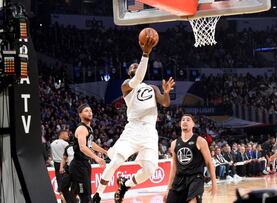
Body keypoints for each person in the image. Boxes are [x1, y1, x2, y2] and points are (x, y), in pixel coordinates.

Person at [92, 35, 175, 203]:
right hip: (133, 129)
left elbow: (165, 104)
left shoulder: (152, 88)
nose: (135, 68)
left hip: (150, 132)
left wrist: (166, 93)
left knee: (150, 170)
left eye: (137, 66)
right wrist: (145, 54)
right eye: (132, 67)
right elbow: (137, 78)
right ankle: (98, 195)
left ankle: (124, 185)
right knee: (116, 161)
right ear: (130, 72)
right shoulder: (126, 86)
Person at [164, 114, 217, 203]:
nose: (185, 121)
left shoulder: (200, 141)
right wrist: (168, 188)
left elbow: (209, 163)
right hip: (179, 180)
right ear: (180, 124)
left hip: (195, 179)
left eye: (188, 120)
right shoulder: (174, 143)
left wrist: (214, 184)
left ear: (193, 124)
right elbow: (174, 168)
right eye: (183, 120)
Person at [70, 103, 107, 202]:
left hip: (84, 164)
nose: (89, 112)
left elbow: (91, 143)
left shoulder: (89, 128)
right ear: (80, 114)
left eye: (90, 111)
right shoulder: (81, 128)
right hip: (78, 165)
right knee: (85, 196)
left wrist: (104, 151)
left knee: (82, 194)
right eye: (86, 111)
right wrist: (96, 158)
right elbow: (82, 147)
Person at [50, 129, 69, 198]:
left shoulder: (52, 143)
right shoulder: (65, 144)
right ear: (62, 134)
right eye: (66, 134)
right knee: (67, 181)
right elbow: (68, 155)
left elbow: (51, 155)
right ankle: (66, 197)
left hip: (56, 164)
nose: (68, 136)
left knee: (59, 180)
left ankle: (62, 197)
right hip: (64, 164)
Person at [60, 136, 75, 203]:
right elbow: (64, 158)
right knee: (63, 187)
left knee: (75, 190)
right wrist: (61, 167)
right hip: (68, 170)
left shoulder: (83, 147)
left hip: (78, 171)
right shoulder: (68, 147)